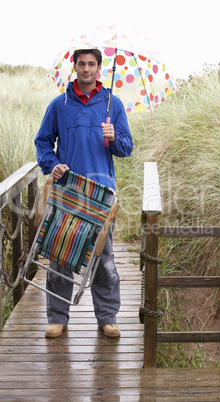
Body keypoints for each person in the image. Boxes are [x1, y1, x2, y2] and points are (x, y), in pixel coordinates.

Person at [35, 48, 133, 339]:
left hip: (102, 195)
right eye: (82, 64)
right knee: (60, 252)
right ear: (74, 66)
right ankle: (57, 317)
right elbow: (43, 142)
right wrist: (52, 165)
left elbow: (126, 148)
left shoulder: (112, 104)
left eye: (92, 64)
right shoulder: (59, 104)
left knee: (104, 259)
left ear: (99, 69)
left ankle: (107, 317)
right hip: (68, 192)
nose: (87, 69)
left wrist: (114, 137)